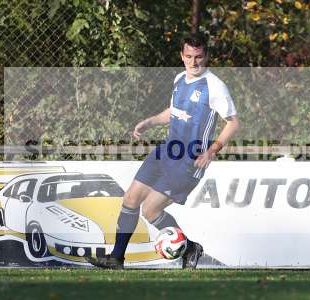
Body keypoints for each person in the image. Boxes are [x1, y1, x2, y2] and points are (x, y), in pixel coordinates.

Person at [87, 33, 239, 269]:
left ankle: (189, 248)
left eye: (199, 57)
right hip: (166, 150)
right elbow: (174, 111)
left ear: (206, 56)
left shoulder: (215, 86)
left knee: (150, 210)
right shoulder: (179, 78)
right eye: (189, 56)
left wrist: (212, 150)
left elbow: (233, 123)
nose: (194, 62)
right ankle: (116, 258)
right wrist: (149, 122)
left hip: (190, 159)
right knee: (130, 198)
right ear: (182, 56)